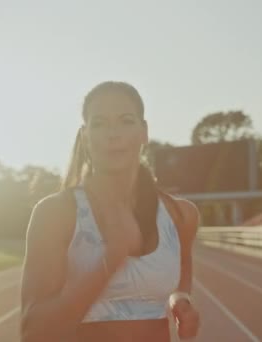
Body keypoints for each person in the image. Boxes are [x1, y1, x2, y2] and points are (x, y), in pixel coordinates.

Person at [19, 81, 200, 341]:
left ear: (144, 132)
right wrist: (112, 257)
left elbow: (181, 280)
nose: (113, 134)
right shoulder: (56, 213)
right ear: (85, 136)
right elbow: (33, 332)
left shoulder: (181, 215)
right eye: (99, 123)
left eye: (126, 121)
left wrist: (180, 302)